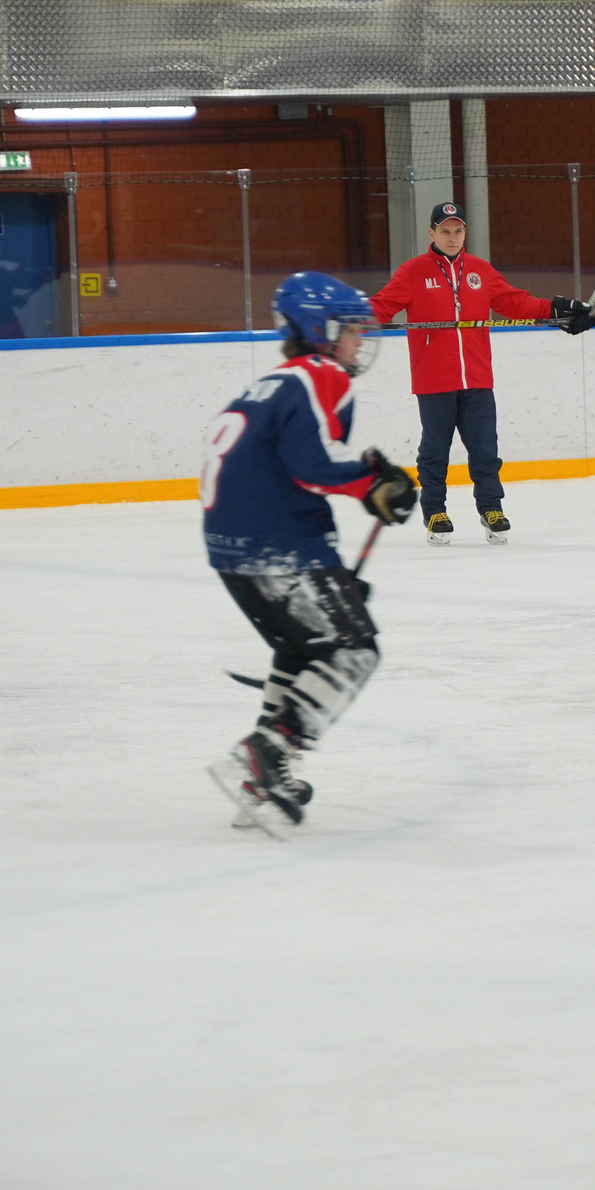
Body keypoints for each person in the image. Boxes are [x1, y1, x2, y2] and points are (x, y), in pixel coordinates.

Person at [204, 271, 419, 834]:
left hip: (233, 548)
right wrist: (374, 483)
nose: (359, 341)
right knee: (353, 650)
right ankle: (266, 753)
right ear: (319, 330)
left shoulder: (269, 384)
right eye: (351, 330)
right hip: (277, 546)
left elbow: (283, 463)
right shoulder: (322, 374)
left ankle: (260, 778)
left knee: (304, 648)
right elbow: (313, 465)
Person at [370, 199, 595, 546]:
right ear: (432, 233)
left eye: (458, 231)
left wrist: (557, 310)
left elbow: (515, 302)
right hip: (434, 381)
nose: (452, 237)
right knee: (434, 451)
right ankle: (435, 512)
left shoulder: (479, 270)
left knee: (485, 451)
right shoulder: (413, 272)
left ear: (465, 233)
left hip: (477, 379)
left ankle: (491, 508)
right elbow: (382, 306)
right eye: (445, 231)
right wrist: (349, 316)